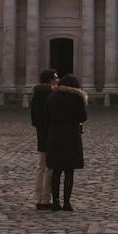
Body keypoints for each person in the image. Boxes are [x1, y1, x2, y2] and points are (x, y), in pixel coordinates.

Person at [44, 73, 88, 212]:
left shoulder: (51, 98)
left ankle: (56, 202)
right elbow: (83, 117)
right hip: (71, 138)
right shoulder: (77, 98)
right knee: (69, 171)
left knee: (56, 170)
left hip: (55, 136)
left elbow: (46, 117)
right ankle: (67, 203)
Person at [28, 69, 58, 210]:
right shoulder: (52, 96)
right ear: (50, 80)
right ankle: (46, 199)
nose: (57, 80)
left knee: (40, 167)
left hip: (41, 134)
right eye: (55, 78)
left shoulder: (36, 96)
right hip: (51, 134)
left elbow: (33, 119)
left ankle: (38, 198)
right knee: (50, 167)